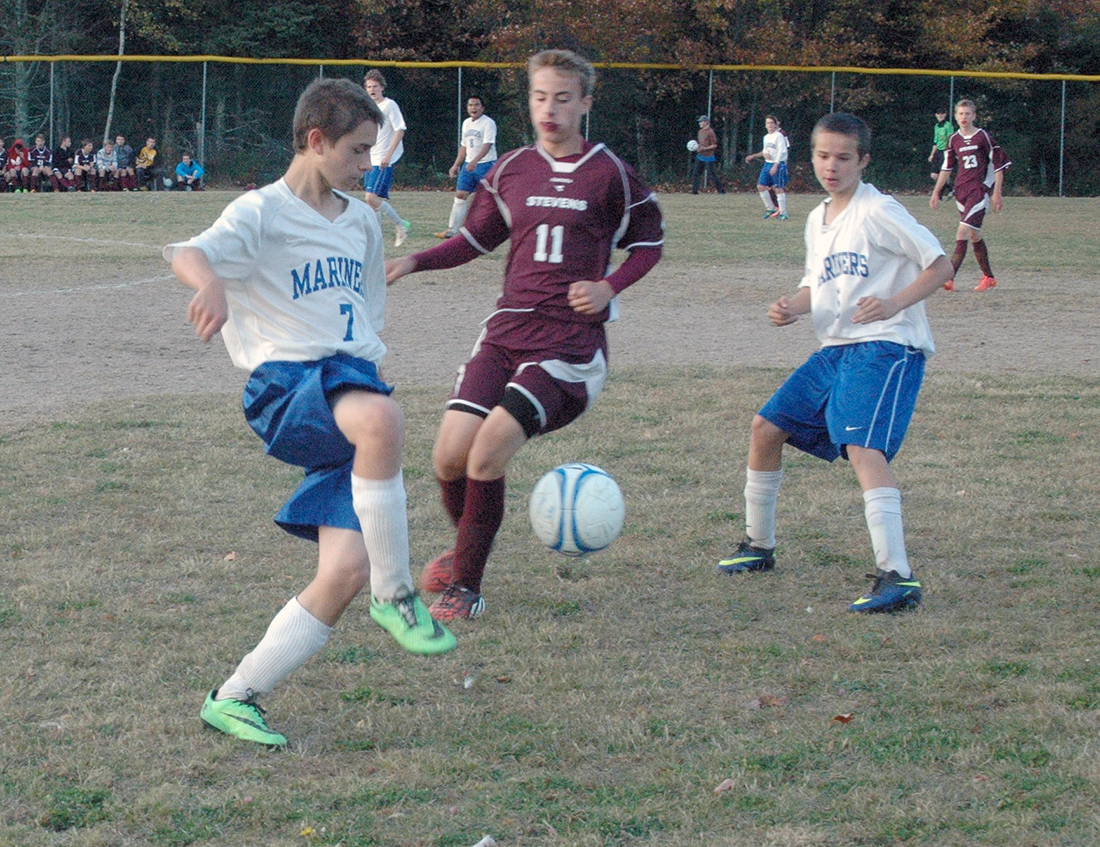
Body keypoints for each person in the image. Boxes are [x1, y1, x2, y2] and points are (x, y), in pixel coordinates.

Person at [164, 77, 457, 748]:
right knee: (383, 421)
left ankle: (235, 695)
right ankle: (398, 595)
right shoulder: (260, 211)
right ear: (315, 141)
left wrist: (367, 375)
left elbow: (366, 321)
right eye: (358, 151)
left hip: (347, 378)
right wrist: (209, 280)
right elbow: (190, 252)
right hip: (287, 381)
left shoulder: (359, 220)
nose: (367, 164)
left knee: (343, 570)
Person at [386, 49, 664, 621]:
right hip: (507, 330)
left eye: (563, 97)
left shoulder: (610, 172)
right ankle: (465, 548)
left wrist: (610, 286)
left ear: (586, 102)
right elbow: (474, 241)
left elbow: (649, 244)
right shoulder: (511, 167)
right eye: (540, 96)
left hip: (569, 346)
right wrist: (413, 262)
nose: (549, 108)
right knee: (447, 456)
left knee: (487, 453)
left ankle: (466, 586)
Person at [715, 112, 952, 615]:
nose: (831, 165)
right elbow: (816, 287)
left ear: (863, 161)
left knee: (863, 448)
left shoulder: (878, 211)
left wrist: (894, 303)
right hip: (836, 348)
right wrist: (791, 306)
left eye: (844, 157)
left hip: (886, 345)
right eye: (823, 155)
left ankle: (898, 577)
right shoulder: (816, 218)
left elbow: (941, 264)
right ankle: (759, 547)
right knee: (765, 427)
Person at [930, 99, 1011, 292]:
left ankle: (949, 278)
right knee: (974, 234)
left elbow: (999, 165)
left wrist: (996, 193)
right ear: (955, 117)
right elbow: (947, 167)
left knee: (962, 232)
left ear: (974, 116)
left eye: (968, 114)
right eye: (960, 114)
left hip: (979, 190)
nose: (964, 117)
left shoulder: (983, 137)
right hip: (961, 191)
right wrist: (936, 192)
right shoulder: (953, 139)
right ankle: (989, 277)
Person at [434, 94, 498, 239]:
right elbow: (464, 146)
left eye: (476, 105)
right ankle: (452, 230)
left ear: (482, 107)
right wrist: (456, 164)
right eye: (470, 105)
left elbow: (488, 145)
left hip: (485, 164)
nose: (473, 108)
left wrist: (475, 161)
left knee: (488, 198)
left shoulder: (488, 123)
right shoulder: (466, 123)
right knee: (460, 195)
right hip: (468, 165)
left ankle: (489, 230)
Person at [362, 69, 411, 247]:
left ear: (382, 87)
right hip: (372, 158)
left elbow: (400, 129)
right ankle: (376, 238)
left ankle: (400, 224)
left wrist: (389, 155)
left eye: (375, 86)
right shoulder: (368, 108)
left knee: (370, 198)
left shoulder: (390, 105)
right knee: (371, 203)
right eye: (369, 86)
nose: (372, 89)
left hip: (384, 158)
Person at [745, 114, 789, 219]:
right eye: (767, 123)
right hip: (767, 163)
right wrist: (758, 155)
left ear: (775, 125)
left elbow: (782, 152)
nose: (769, 125)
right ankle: (770, 208)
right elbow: (766, 151)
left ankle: (783, 213)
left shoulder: (779, 136)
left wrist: (776, 165)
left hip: (778, 164)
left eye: (771, 123)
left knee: (778, 188)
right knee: (760, 186)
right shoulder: (766, 137)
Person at [690, 115, 726, 195]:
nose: (700, 123)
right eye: (699, 121)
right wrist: (697, 147)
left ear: (706, 122)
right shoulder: (700, 132)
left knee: (712, 176)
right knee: (695, 173)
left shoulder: (710, 132)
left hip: (709, 157)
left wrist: (704, 148)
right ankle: (694, 191)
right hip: (700, 156)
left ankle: (721, 191)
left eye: (701, 121)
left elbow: (714, 145)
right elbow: (700, 143)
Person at [927, 108, 952, 190]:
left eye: (942, 113)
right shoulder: (936, 126)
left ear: (945, 114)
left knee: (943, 173)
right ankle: (950, 188)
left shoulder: (948, 125)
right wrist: (932, 154)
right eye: (938, 113)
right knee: (934, 175)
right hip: (938, 152)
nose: (940, 115)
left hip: (945, 152)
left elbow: (950, 138)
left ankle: (941, 191)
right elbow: (935, 142)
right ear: (936, 115)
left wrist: (948, 150)